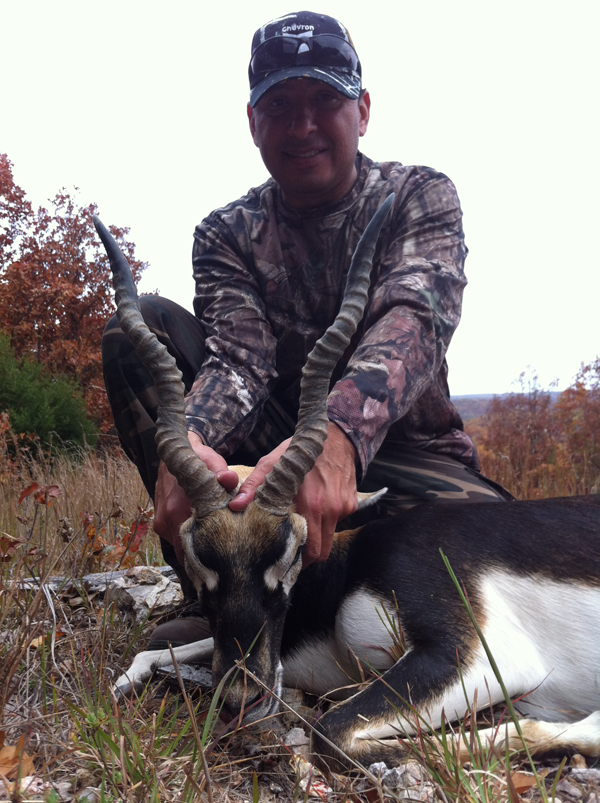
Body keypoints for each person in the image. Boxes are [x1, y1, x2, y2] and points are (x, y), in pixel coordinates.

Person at [102, 11, 512, 650]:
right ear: (252, 121)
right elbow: (238, 359)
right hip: (268, 454)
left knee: (491, 551)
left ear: (363, 110)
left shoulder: (419, 196)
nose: (303, 126)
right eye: (281, 104)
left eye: (325, 99)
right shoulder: (225, 232)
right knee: (140, 330)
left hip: (403, 458)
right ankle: (220, 596)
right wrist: (189, 445)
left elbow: (415, 318)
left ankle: (303, 601)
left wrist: (339, 439)